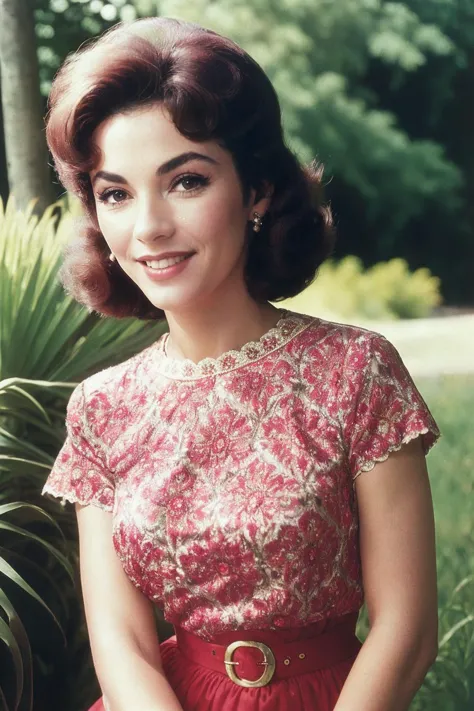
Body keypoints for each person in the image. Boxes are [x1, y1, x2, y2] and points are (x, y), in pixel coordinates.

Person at [41, 16, 440, 711]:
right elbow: (120, 643)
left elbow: (406, 628)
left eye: (186, 181)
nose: (149, 227)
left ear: (256, 190)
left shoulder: (356, 370)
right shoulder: (100, 407)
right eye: (116, 193)